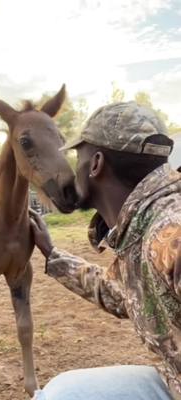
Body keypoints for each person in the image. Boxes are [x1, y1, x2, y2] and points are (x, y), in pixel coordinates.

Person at [29, 101, 181, 400]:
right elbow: (122, 293)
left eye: (78, 157)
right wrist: (53, 255)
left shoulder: (170, 235)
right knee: (59, 394)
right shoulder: (143, 229)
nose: (74, 170)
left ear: (96, 163)